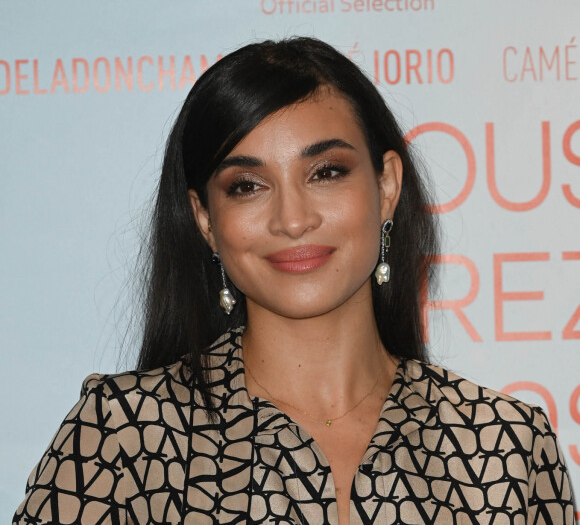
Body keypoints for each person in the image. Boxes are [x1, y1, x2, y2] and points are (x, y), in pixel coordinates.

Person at [14, 37, 575, 524]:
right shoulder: (125, 437)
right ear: (206, 221)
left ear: (386, 187)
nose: (292, 218)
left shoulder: (504, 447)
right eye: (247, 185)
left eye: (325, 172)